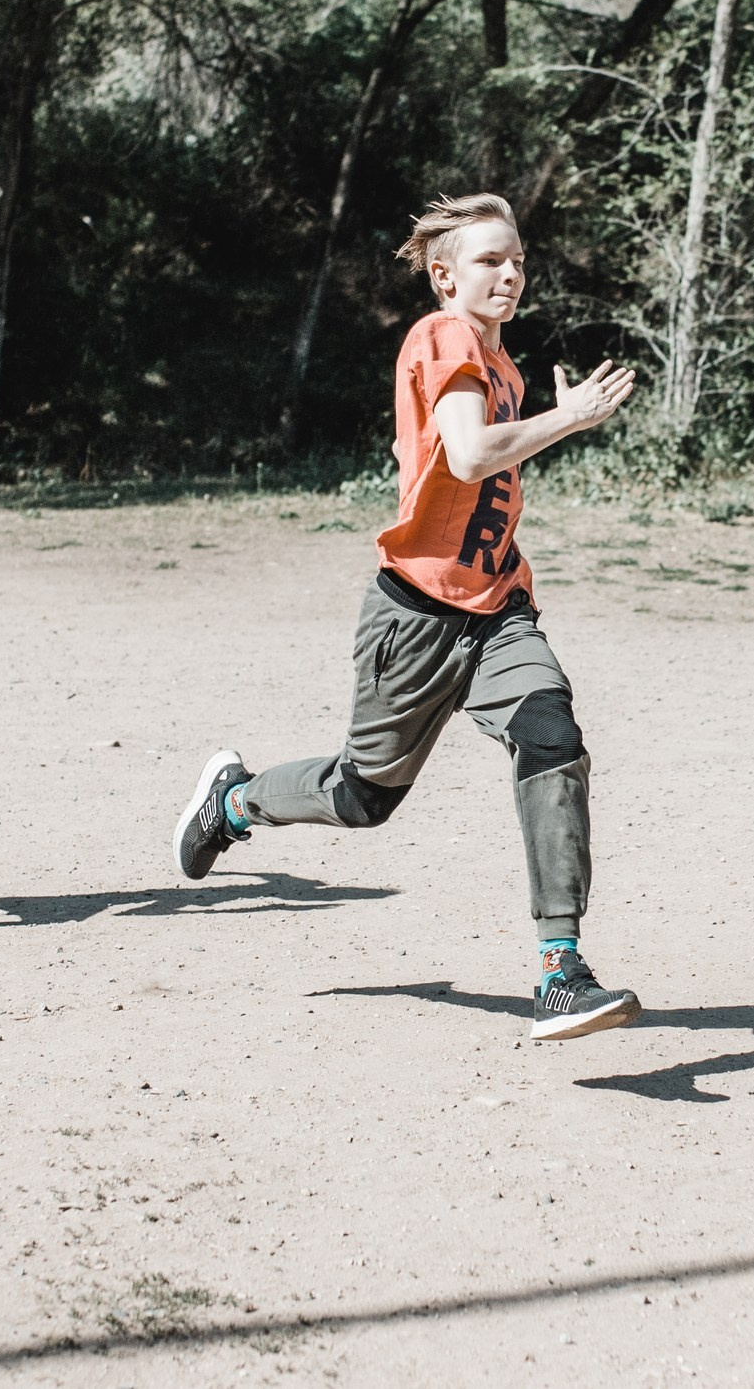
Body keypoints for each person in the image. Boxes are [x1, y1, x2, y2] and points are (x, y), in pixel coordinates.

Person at [174, 193, 643, 1039]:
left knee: (553, 737)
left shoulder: (505, 367)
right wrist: (566, 420)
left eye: (519, 261)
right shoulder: (443, 338)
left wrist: (549, 417)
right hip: (414, 618)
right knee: (363, 796)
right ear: (443, 276)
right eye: (490, 261)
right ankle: (234, 803)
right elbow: (466, 455)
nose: (510, 274)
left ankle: (560, 969)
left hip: (497, 610)